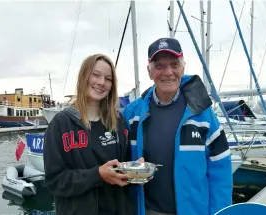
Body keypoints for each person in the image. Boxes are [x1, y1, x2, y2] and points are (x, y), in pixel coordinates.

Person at [122, 38, 233, 215]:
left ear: (183, 67)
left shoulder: (203, 113)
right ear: (149, 71)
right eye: (159, 66)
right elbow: (114, 153)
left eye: (174, 64)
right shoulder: (131, 114)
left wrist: (220, 213)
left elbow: (221, 170)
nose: (168, 72)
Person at [43, 53, 133, 215]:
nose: (101, 82)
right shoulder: (61, 124)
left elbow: (122, 170)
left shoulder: (119, 122)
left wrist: (136, 170)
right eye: (96, 75)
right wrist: (97, 175)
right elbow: (54, 181)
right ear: (84, 76)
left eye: (108, 78)